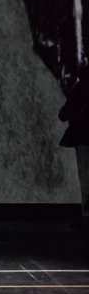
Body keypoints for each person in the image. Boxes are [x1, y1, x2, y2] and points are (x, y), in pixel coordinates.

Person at [59, 65, 89, 220]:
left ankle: (87, 214)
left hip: (83, 137)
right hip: (83, 137)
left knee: (86, 177)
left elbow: (64, 113)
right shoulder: (80, 87)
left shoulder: (80, 87)